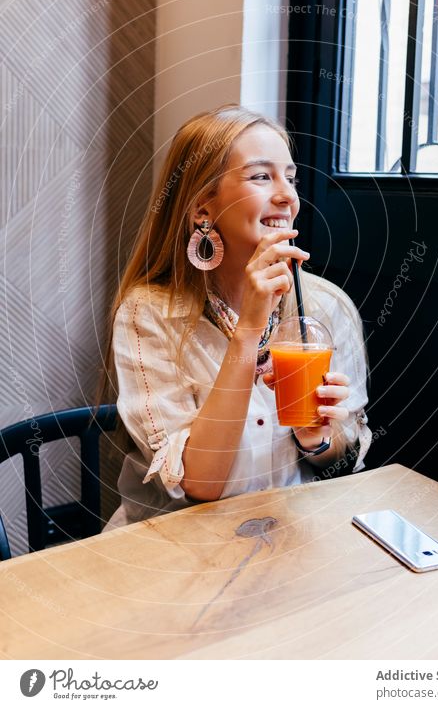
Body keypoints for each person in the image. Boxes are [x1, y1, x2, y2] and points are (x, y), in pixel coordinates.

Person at [102, 105, 372, 528]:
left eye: (291, 176)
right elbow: (200, 484)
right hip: (173, 548)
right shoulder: (149, 313)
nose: (287, 195)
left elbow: (340, 463)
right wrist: (248, 330)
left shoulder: (326, 307)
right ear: (203, 208)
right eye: (262, 176)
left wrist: (317, 439)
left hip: (288, 537)